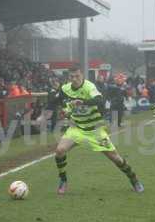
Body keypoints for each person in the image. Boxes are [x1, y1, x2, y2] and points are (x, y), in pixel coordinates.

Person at [52, 64, 144, 195]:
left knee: (116, 158)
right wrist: (66, 110)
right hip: (77, 128)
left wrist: (82, 101)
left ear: (82, 75)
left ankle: (134, 179)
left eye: (77, 76)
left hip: (95, 130)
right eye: (72, 76)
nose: (74, 79)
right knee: (60, 150)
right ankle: (63, 180)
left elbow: (99, 100)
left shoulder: (89, 86)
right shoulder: (65, 88)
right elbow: (61, 101)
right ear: (68, 77)